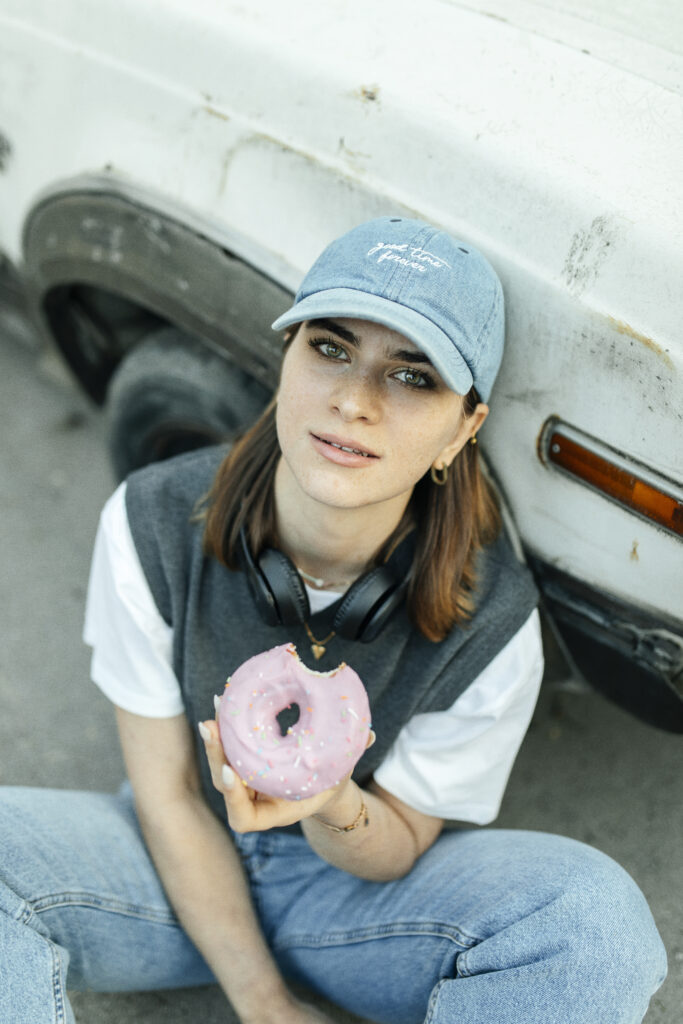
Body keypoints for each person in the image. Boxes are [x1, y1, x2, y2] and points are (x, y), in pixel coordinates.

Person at [0, 217, 666, 1024]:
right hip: (170, 856)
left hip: (354, 897)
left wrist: (326, 799)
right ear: (283, 359)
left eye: (413, 376)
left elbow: (398, 850)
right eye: (330, 347)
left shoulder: (493, 620)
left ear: (463, 430)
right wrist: (265, 1003)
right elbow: (168, 792)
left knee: (591, 923)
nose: (352, 400)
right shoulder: (152, 519)